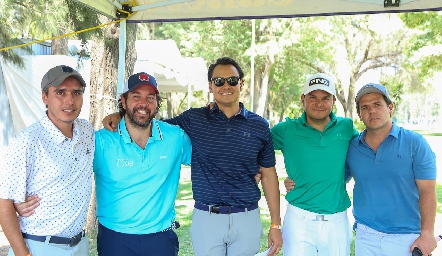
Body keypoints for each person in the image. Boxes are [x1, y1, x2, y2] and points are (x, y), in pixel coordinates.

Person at [103, 57, 283, 256]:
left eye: (232, 80)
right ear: (210, 86)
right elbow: (146, 121)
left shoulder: (259, 125)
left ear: (241, 83)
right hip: (207, 217)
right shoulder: (193, 118)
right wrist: (120, 115)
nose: (226, 86)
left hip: (247, 216)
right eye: (219, 81)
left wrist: (275, 224)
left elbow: (268, 174)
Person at [93, 72, 192, 255]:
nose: (143, 104)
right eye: (136, 96)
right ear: (123, 101)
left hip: (161, 239)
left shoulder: (175, 137)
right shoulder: (101, 141)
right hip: (115, 238)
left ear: (156, 103)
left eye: (150, 98)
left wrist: (252, 168)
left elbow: (207, 162)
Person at [0, 65, 93, 256]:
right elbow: (4, 203)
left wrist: (117, 116)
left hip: (80, 245)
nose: (70, 100)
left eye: (77, 93)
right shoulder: (27, 141)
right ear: (45, 97)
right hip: (39, 246)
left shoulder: (86, 131)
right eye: (60, 92)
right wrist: (22, 253)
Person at [271, 73, 358, 255]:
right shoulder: (286, 130)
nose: (319, 103)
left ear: (333, 100)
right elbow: (254, 147)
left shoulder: (346, 127)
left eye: (325, 98)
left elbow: (364, 154)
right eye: (313, 97)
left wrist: (344, 176)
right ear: (303, 99)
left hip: (337, 220)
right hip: (299, 219)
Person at [345, 83, 437, 256]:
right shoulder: (352, 147)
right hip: (366, 235)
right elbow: (334, 178)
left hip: (406, 237)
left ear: (390, 108)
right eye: (365, 107)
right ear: (359, 115)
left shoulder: (415, 143)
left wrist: (426, 233)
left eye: (377, 105)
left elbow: (427, 191)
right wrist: (297, 182)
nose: (371, 111)